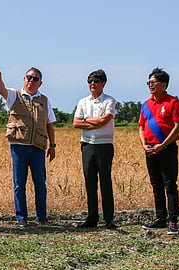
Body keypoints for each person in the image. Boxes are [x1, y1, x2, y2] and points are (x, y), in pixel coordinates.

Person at [0, 64, 56, 228]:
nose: (31, 81)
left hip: (38, 146)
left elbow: (50, 124)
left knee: (40, 183)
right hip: (19, 145)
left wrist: (52, 145)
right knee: (20, 183)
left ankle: (42, 217)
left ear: (40, 83)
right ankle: (21, 217)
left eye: (35, 79)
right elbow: (2, 91)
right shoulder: (14, 95)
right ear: (24, 79)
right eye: (29, 77)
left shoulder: (44, 100)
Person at [139, 67, 179, 235]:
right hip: (150, 148)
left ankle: (173, 220)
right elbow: (141, 127)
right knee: (156, 185)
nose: (150, 85)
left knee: (170, 184)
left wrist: (163, 145)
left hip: (166, 148)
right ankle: (160, 218)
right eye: (149, 82)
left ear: (164, 85)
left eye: (153, 82)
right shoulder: (146, 104)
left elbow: (177, 127)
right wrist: (144, 144)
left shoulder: (173, 102)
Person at [73, 69, 117, 229]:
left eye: (96, 81)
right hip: (87, 145)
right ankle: (92, 218)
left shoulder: (109, 101)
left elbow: (106, 120)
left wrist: (87, 121)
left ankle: (108, 219)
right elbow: (76, 123)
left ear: (103, 83)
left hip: (104, 145)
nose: (92, 84)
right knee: (90, 182)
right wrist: (95, 122)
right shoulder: (83, 101)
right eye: (89, 81)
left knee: (105, 181)